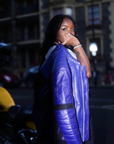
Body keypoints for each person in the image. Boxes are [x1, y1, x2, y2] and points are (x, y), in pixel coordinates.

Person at [32, 14, 94, 144]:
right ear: (54, 32)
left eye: (72, 29)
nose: (70, 33)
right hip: (70, 129)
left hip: (55, 129)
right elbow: (87, 72)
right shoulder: (61, 57)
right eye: (64, 29)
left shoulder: (54, 54)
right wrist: (77, 44)